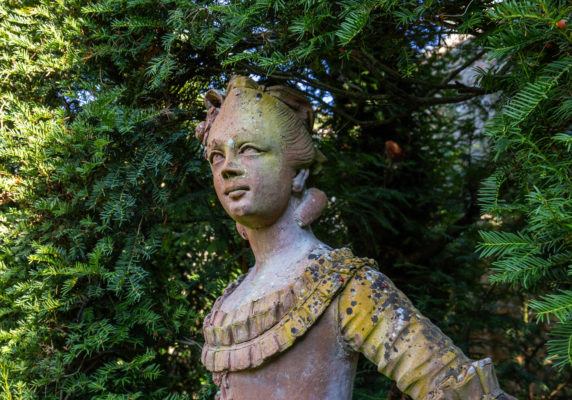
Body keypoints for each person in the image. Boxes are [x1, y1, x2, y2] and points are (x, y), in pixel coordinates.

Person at [195, 76, 514, 400]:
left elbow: (454, 385)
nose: (227, 169)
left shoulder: (345, 286)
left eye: (249, 149)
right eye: (216, 156)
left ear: (299, 173)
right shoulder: (231, 303)